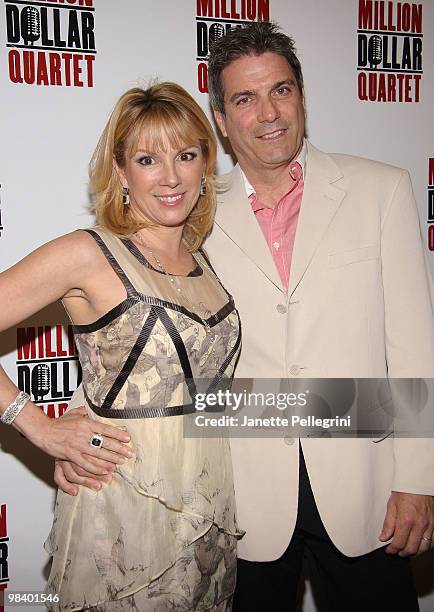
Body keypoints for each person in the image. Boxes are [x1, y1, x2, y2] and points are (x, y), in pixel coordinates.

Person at [57, 22, 434, 611]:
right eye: (244, 99)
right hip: (239, 494)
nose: (268, 113)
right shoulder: (190, 209)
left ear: (303, 96)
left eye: (281, 90)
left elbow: (415, 347)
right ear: (222, 119)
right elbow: (143, 332)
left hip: (365, 485)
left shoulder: (381, 190)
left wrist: (419, 476)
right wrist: (84, 428)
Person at [0, 82, 243, 611]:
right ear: (120, 171)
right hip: (124, 500)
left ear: (206, 164)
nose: (171, 176)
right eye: (147, 159)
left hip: (210, 501)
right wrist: (38, 425)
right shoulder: (87, 253)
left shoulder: (208, 262)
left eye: (186, 155)